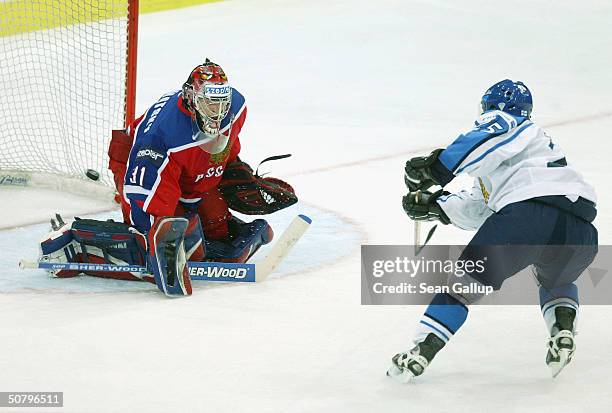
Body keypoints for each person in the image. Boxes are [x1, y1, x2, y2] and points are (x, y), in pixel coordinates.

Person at [388, 79, 598, 381]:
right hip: (580, 233)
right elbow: (481, 207)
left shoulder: (510, 123)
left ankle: (421, 351)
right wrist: (436, 205)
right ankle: (563, 331)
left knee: (460, 288)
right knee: (556, 280)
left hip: (526, 220)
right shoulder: (530, 156)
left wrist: (435, 169)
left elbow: (487, 134)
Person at [39, 59, 297, 296]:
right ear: (191, 97)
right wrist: (161, 245)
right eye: (210, 103)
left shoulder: (237, 108)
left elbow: (224, 148)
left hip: (185, 171)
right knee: (154, 243)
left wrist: (231, 170)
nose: (218, 113)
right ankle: (75, 243)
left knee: (218, 229)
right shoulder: (161, 139)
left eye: (222, 104)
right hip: (135, 162)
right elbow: (147, 202)